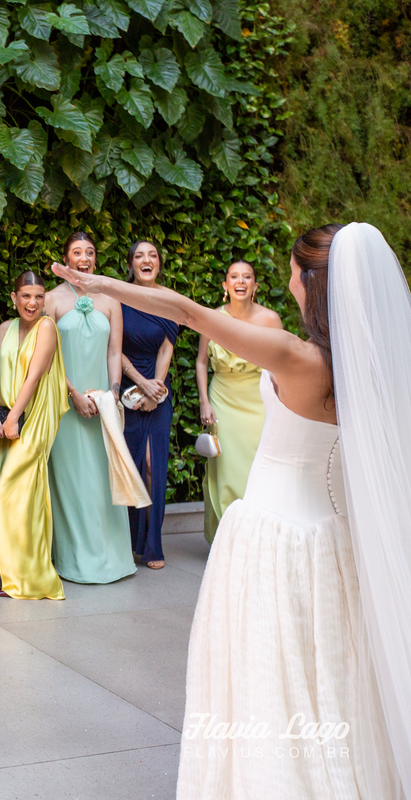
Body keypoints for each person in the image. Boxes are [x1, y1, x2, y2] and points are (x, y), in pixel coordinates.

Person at [52, 223, 410, 798]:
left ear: (311, 283)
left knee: (269, 676)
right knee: (332, 672)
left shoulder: (294, 355)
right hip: (334, 538)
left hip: (274, 537)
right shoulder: (374, 365)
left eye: (292, 271)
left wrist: (102, 284)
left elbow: (186, 312)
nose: (287, 280)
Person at [44, 233, 136, 584]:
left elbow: (114, 351)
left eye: (90, 252)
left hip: (102, 404)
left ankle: (112, 558)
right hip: (65, 405)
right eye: (77, 252)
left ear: (96, 259)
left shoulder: (111, 300)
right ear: (66, 258)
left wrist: (112, 393)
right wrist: (72, 393)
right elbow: (47, 355)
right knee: (72, 482)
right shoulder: (52, 299)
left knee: (101, 481)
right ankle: (74, 560)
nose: (84, 258)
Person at [0, 271, 68, 599]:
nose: (32, 303)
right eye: (26, 296)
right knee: (9, 495)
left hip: (32, 419)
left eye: (38, 297)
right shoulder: (5, 329)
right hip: (4, 417)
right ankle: (15, 575)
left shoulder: (47, 327)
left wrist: (13, 418)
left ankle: (33, 578)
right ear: (14, 298)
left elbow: (34, 376)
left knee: (11, 492)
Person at [194, 260, 282, 543]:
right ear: (225, 285)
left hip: (259, 403)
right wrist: (204, 402)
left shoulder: (271, 319)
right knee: (227, 471)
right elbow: (201, 361)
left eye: (247, 277)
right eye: (234, 276)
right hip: (223, 401)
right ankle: (229, 540)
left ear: (255, 285)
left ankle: (259, 538)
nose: (240, 281)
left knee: (258, 469)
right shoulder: (212, 317)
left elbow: (280, 365)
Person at [119, 240, 179, 569]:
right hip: (127, 388)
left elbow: (167, 348)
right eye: (140, 256)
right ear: (131, 263)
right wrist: (140, 383)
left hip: (158, 389)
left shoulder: (170, 299)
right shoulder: (119, 297)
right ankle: (129, 541)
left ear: (159, 263)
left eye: (153, 255)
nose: (147, 260)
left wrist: (155, 389)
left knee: (154, 466)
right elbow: (112, 347)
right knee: (130, 466)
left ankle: (153, 544)